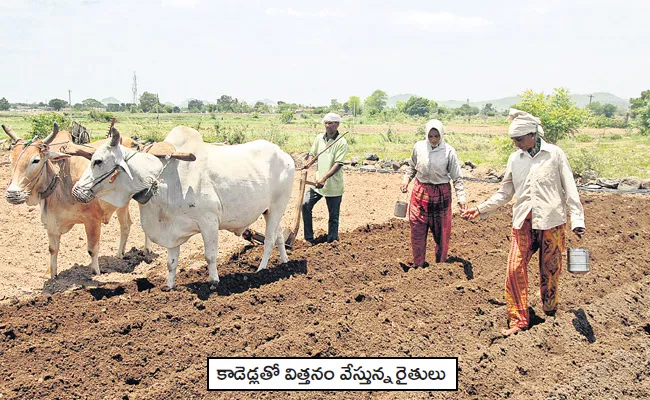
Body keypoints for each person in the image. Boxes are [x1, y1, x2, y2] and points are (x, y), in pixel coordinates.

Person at [462, 109, 586, 337]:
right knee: (513, 269)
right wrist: (480, 209)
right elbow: (505, 192)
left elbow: (570, 188)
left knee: (550, 271)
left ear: (533, 135)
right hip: (523, 221)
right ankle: (518, 320)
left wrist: (577, 219)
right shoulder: (515, 159)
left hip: (551, 221)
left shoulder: (555, 154)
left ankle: (550, 313)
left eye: (519, 139)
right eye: (513, 141)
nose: (516, 144)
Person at [400, 119, 467, 267]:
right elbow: (411, 167)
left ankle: (440, 265)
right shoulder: (419, 147)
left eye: (437, 136)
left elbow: (457, 177)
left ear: (442, 135)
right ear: (426, 135)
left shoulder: (449, 151)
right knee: (417, 229)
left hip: (440, 194)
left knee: (442, 232)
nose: (434, 139)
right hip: (420, 192)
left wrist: (461, 198)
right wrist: (406, 180)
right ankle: (419, 264)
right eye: (430, 136)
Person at [302, 112, 349, 244]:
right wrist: (309, 163)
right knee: (305, 205)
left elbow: (338, 163)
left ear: (337, 124)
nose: (328, 126)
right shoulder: (319, 138)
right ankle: (309, 238)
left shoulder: (341, 142)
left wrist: (324, 178)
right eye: (326, 123)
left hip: (333, 186)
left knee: (333, 216)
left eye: (331, 123)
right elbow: (312, 154)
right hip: (317, 184)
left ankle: (331, 242)